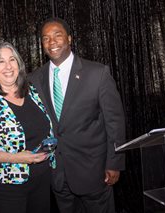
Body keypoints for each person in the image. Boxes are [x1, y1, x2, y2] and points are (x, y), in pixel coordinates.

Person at [29, 17, 126, 213]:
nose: (52, 42)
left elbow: (114, 122)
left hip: (94, 171)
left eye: (57, 35)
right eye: (46, 38)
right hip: (57, 174)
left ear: (70, 39)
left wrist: (114, 163)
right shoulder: (34, 79)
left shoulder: (97, 73)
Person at [0, 41, 55, 213]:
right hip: (7, 186)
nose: (8, 66)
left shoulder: (32, 92)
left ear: (19, 64)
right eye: (0, 61)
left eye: (12, 60)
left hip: (42, 180)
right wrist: (16, 158)